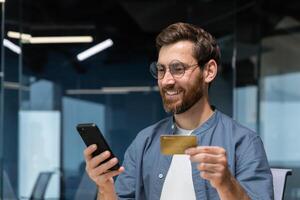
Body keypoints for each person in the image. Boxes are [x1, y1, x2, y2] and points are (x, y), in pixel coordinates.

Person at [83, 22, 273, 200]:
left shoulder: (243, 142)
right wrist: (105, 186)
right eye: (161, 70)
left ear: (209, 71)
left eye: (178, 69)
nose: (166, 81)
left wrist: (227, 184)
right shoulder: (145, 142)